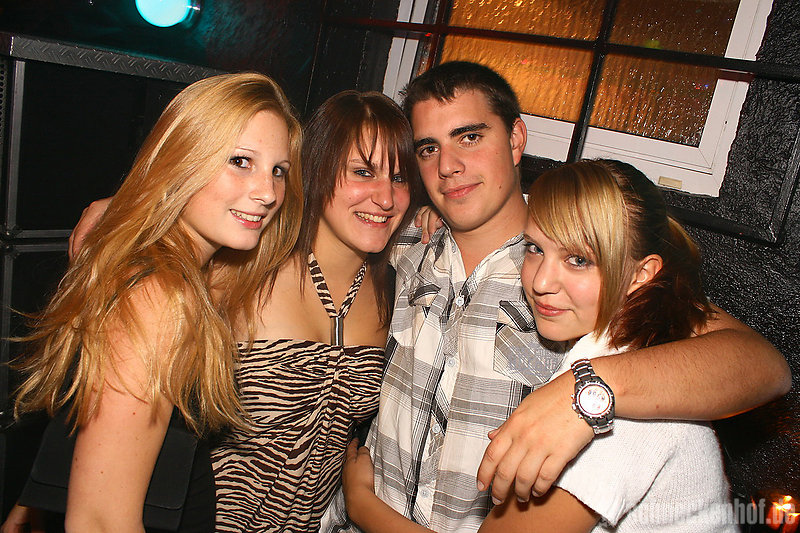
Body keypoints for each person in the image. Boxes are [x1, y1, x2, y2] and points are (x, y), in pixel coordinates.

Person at [320, 61, 790, 532]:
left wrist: (583, 391)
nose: (447, 166)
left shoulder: (577, 272)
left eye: (470, 137)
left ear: (516, 139)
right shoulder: (399, 240)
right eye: (429, 148)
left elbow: (760, 365)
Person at [44, 90, 423, 532]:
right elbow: (109, 388)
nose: (385, 197)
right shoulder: (239, 267)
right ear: (317, 170)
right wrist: (118, 212)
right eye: (363, 171)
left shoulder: (397, 287)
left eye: (400, 178)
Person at [3, 72, 304, 532]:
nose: (267, 192)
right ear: (182, 159)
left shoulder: (187, 272)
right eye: (240, 161)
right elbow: (100, 521)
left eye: (278, 170)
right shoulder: (159, 295)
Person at [474, 158, 737, 531]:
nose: (540, 282)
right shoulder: (646, 336)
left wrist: (378, 511)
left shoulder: (612, 411)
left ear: (641, 274)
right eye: (535, 248)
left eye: (578, 259)